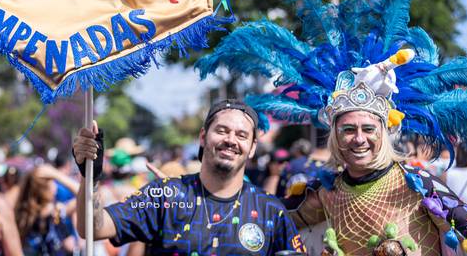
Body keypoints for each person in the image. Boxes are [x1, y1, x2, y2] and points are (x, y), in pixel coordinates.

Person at [195, 0, 467, 255]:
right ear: (335, 136)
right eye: (348, 130)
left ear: (384, 132)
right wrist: (202, 195)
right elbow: (269, 220)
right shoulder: (326, 190)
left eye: (368, 129)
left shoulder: (416, 181)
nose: (359, 138)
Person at [72, 99, 306, 254]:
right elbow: (92, 227)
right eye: (222, 130)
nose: (231, 140)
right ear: (203, 137)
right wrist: (89, 176)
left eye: (241, 135)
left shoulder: (271, 210)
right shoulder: (164, 195)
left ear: (252, 147)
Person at [14, 164, 75, 255]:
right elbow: (86, 194)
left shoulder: (22, 214)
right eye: (52, 182)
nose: (56, 187)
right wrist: (57, 175)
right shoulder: (56, 212)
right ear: (45, 190)